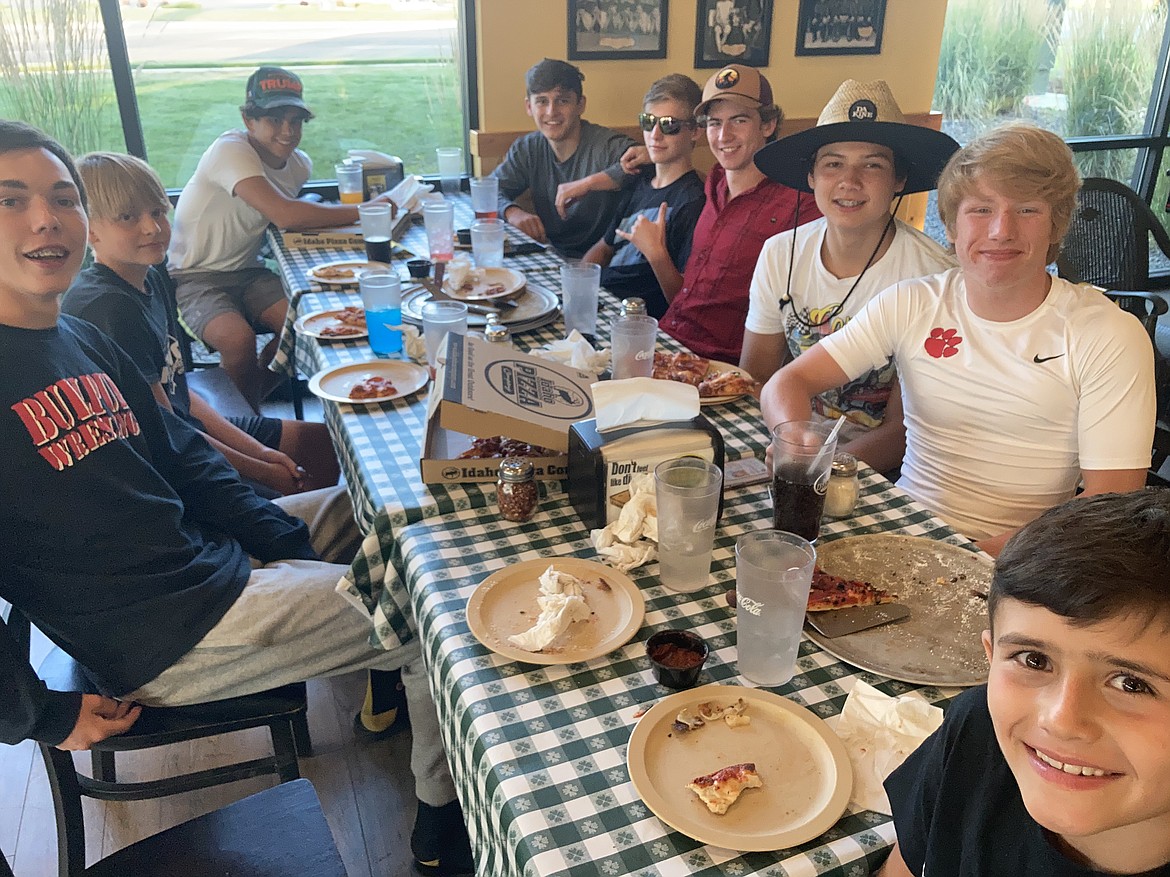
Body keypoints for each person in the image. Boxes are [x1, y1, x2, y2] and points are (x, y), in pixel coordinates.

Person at [0, 121, 471, 877]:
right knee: (428, 611)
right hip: (166, 631)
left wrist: (275, 536)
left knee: (394, 501)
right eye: (10, 200)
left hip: (208, 560)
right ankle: (440, 819)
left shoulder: (78, 336)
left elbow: (184, 455)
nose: (45, 219)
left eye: (62, 198)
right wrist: (41, 715)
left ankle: (386, 686)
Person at [760, 123, 1156, 556]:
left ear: (1056, 224)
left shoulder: (1107, 333)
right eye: (981, 210)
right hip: (901, 526)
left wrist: (964, 559)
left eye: (1027, 210)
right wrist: (795, 443)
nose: (1001, 230)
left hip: (1026, 557)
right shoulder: (912, 302)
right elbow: (787, 383)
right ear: (950, 224)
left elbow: (1109, 501)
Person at [880, 488, 1170, 877]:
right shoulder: (977, 733)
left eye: (1132, 684)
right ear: (991, 655)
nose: (1061, 721)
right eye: (1035, 660)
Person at [62, 151, 340, 497]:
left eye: (158, 212)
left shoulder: (151, 276)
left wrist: (263, 453)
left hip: (184, 427)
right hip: (166, 461)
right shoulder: (111, 308)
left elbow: (179, 391)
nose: (151, 228)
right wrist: (262, 472)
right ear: (89, 229)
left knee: (322, 443)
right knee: (288, 491)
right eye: (127, 217)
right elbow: (168, 432)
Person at [742, 79, 959, 473]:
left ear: (899, 180)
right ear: (811, 177)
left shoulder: (936, 276)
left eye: (872, 165)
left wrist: (823, 466)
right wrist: (794, 442)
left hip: (879, 468)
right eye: (833, 163)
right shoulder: (779, 253)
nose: (850, 181)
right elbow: (758, 374)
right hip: (789, 445)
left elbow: (904, 429)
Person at [168, 66, 395, 409]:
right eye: (274, 119)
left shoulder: (299, 164)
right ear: (249, 120)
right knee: (238, 340)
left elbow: (293, 214)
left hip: (249, 270)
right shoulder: (230, 149)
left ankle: (245, 408)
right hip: (195, 275)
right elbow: (285, 213)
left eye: (296, 120)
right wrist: (369, 210)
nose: (287, 131)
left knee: (304, 326)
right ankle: (246, 425)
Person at [656, 63, 821, 363]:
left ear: (768, 125)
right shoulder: (714, 183)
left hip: (722, 369)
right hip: (669, 343)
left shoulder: (800, 205)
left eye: (739, 120)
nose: (723, 135)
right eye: (714, 123)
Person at [581, 73, 706, 319]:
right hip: (601, 301)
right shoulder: (638, 181)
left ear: (695, 131)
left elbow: (681, 301)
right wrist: (578, 288)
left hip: (637, 319)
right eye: (648, 122)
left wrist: (655, 253)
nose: (655, 135)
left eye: (669, 124)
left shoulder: (693, 201)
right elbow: (603, 249)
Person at [490, 58, 636, 258]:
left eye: (563, 100)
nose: (552, 112)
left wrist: (589, 183)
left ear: (580, 104)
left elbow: (647, 160)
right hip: (550, 254)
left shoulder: (606, 144)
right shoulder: (527, 148)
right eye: (542, 101)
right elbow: (488, 190)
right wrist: (512, 212)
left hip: (604, 261)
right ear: (529, 107)